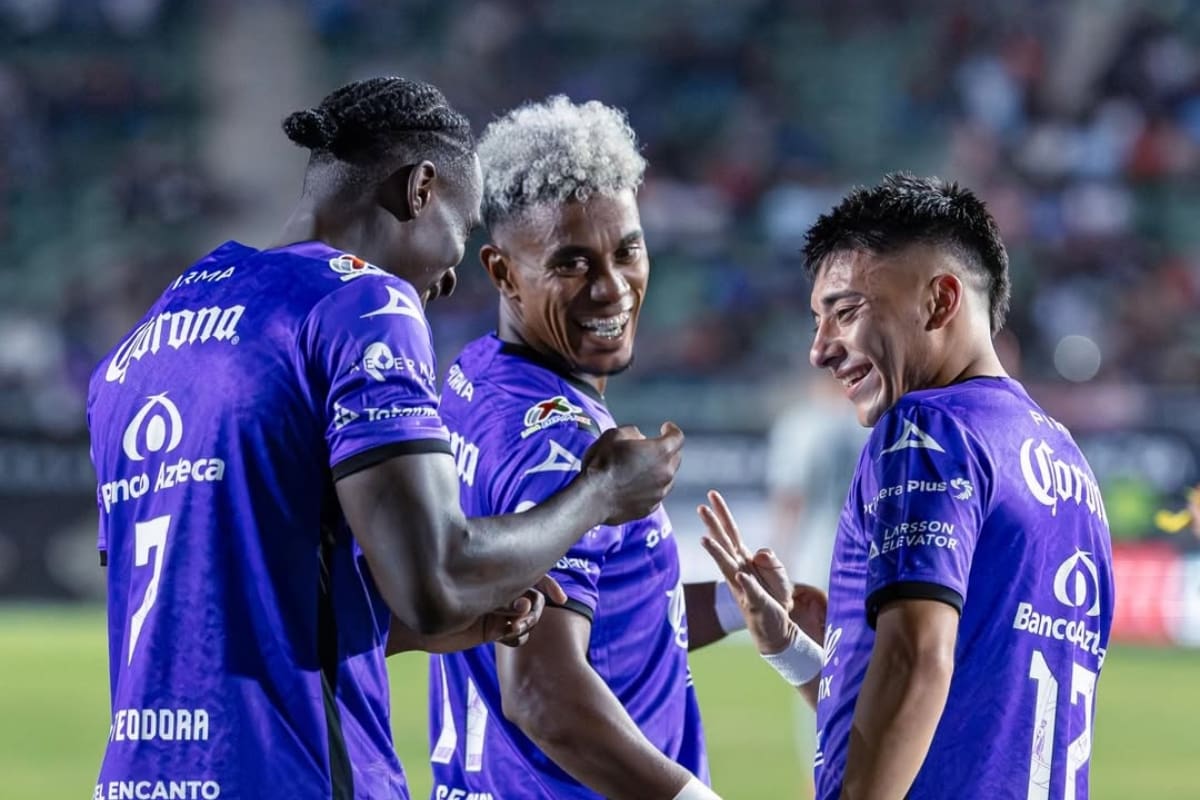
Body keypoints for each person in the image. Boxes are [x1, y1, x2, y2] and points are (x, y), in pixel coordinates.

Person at [86, 76, 684, 800]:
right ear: (420, 190)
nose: (450, 279)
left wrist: (428, 621)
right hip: (297, 778)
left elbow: (235, 595)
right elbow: (439, 580)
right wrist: (600, 492)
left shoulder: (147, 340)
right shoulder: (364, 301)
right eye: (460, 234)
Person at [700, 173, 1115, 799]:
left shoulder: (929, 427)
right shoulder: (1069, 466)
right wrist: (789, 648)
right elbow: (957, 714)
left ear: (940, 301)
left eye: (845, 312)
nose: (820, 349)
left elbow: (917, 661)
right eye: (817, 320)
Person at [427, 95, 777, 800]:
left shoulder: (473, 379)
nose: (612, 286)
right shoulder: (560, 443)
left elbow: (598, 621)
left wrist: (730, 607)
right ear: (502, 272)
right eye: (572, 263)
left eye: (628, 250)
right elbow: (541, 693)